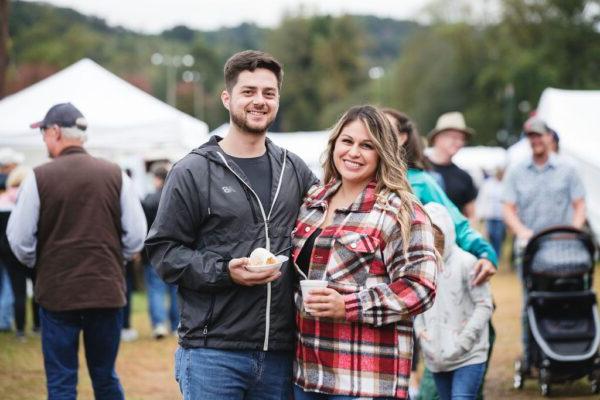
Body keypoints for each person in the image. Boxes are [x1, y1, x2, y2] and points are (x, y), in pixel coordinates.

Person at [146, 50, 318, 400]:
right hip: (213, 352)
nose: (259, 101)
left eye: (268, 93)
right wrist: (226, 271)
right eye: (248, 91)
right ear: (227, 98)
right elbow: (164, 252)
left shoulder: (294, 169)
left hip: (281, 352)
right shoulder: (193, 170)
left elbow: (325, 225)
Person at [292, 105, 438, 400]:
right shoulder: (312, 202)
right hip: (307, 374)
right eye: (347, 141)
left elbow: (421, 287)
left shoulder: (401, 210)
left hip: (365, 380)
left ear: (382, 152)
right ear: (334, 144)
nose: (354, 152)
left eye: (367, 145)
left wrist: (349, 305)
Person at [6, 103, 147, 399]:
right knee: (105, 377)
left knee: (60, 381)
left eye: (44, 132)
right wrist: (111, 261)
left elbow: (19, 239)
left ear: (55, 132)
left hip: (57, 291)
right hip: (105, 290)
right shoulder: (116, 174)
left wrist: (41, 264)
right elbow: (136, 236)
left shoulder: (38, 177)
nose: (43, 139)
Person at [383, 108, 497, 400]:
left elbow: (456, 222)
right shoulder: (356, 179)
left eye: (386, 127)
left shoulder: (419, 182)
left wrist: (484, 253)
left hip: (420, 288)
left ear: (403, 137)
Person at [502, 115, 586, 372]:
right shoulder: (516, 171)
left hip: (564, 250)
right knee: (531, 302)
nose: (536, 140)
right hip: (532, 250)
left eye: (540, 135)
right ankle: (532, 359)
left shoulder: (568, 169)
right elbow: (508, 208)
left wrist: (573, 230)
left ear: (549, 137)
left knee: (573, 298)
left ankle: (575, 352)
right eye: (531, 136)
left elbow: (579, 205)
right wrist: (522, 232)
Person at [415, 203, 493, 400]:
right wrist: (421, 332)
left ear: (446, 232)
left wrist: (464, 339)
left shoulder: (467, 263)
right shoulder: (420, 268)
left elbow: (484, 304)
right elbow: (416, 303)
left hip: (469, 355)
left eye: (436, 234)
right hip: (436, 356)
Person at [0, 166, 40, 340]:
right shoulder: (31, 199)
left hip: (8, 253)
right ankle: (38, 325)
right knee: (37, 289)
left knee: (18, 291)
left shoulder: (2, 200)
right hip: (33, 250)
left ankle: (20, 330)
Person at [141, 162, 178, 339]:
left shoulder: (149, 199)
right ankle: (177, 324)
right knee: (176, 289)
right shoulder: (177, 196)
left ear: (157, 179)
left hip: (154, 252)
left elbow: (143, 228)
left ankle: (159, 325)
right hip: (177, 250)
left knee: (156, 289)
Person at [427, 112, 478, 221]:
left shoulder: (464, 177)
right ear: (438, 138)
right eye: (454, 137)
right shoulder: (417, 169)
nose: (459, 142)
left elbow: (472, 216)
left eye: (462, 139)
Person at [476, 168, 506, 262]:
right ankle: (490, 254)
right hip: (489, 215)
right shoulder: (488, 184)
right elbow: (482, 199)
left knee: (498, 237)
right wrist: (480, 214)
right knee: (490, 236)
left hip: (500, 217)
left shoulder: (505, 184)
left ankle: (496, 256)